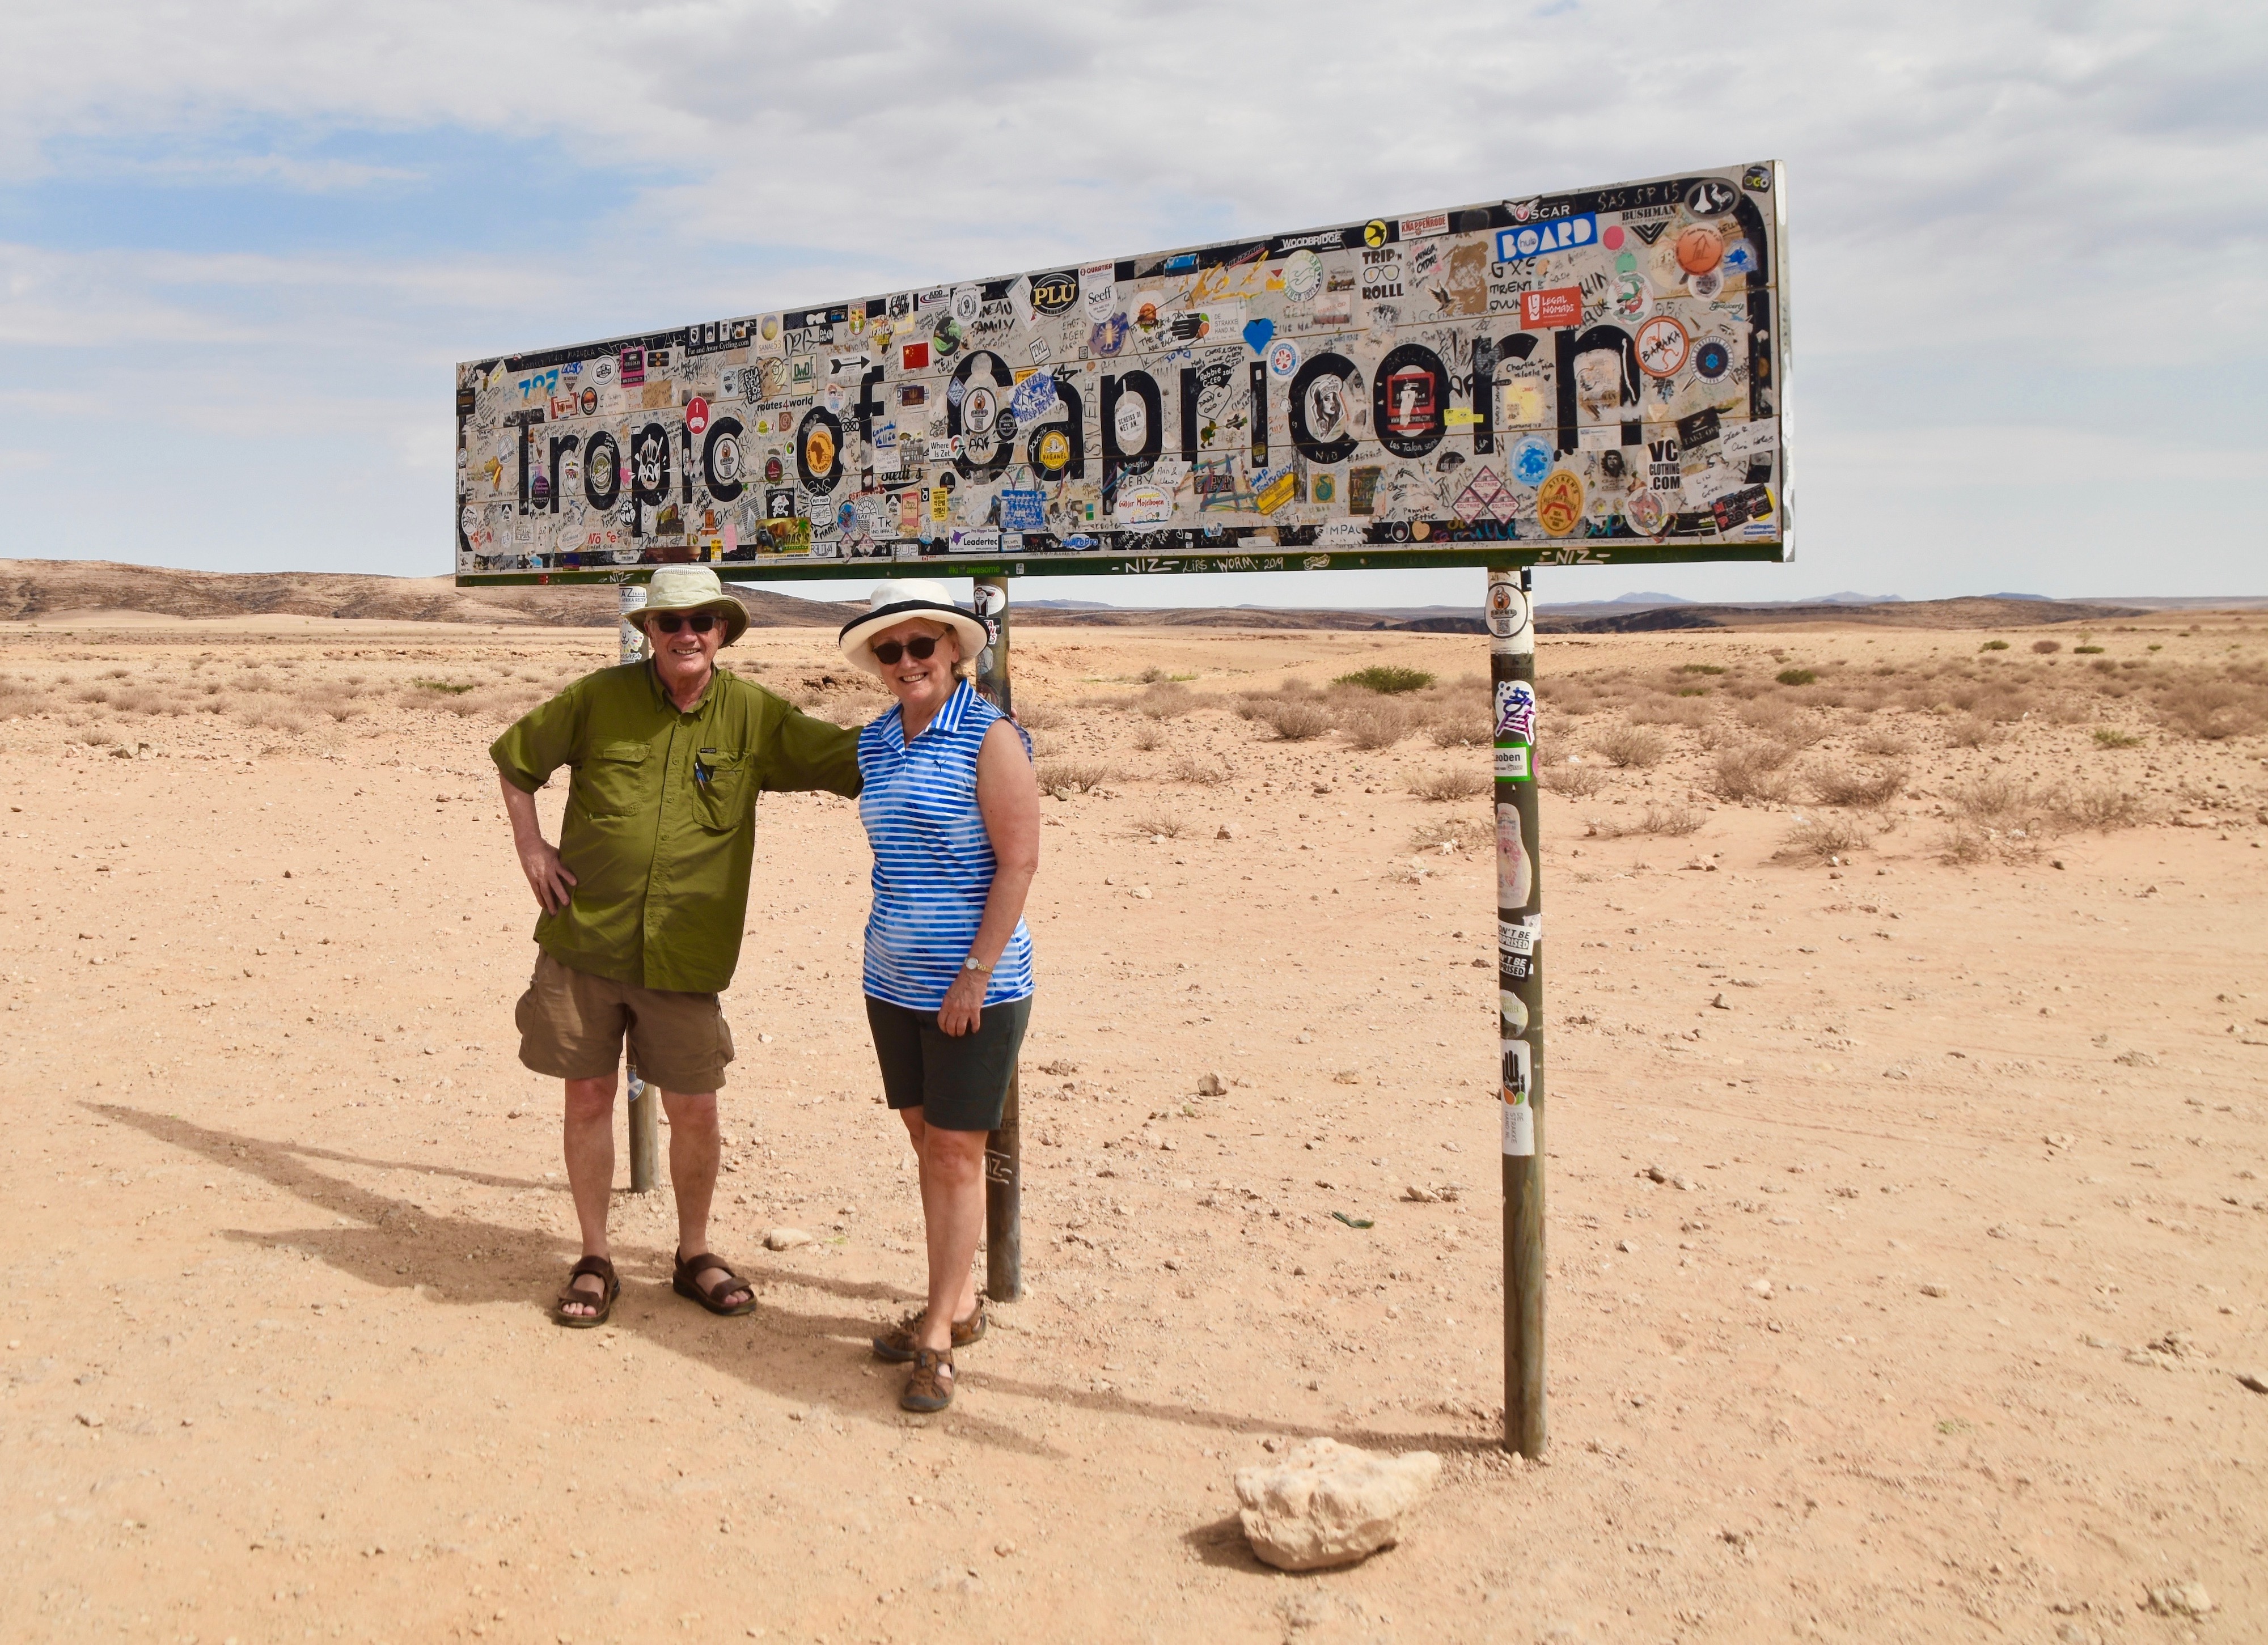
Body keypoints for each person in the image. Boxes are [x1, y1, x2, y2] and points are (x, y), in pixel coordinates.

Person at [490, 565, 862, 1328]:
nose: (686, 633)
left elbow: (848, 759)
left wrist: (953, 726)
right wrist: (531, 847)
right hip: (586, 940)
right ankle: (595, 1255)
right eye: (670, 622)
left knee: (695, 1107)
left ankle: (694, 1251)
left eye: (702, 620)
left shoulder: (754, 716)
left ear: (722, 629)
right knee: (588, 1096)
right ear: (649, 633)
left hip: (686, 954)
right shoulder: (601, 700)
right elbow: (516, 757)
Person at [839, 581, 1039, 1412]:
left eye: (923, 646)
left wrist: (975, 972)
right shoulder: (877, 743)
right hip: (890, 979)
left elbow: (1020, 860)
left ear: (955, 651)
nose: (908, 661)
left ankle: (936, 1339)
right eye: (891, 650)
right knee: (929, 1144)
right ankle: (955, 1300)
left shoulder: (989, 736)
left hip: (973, 987)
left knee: (956, 1153)